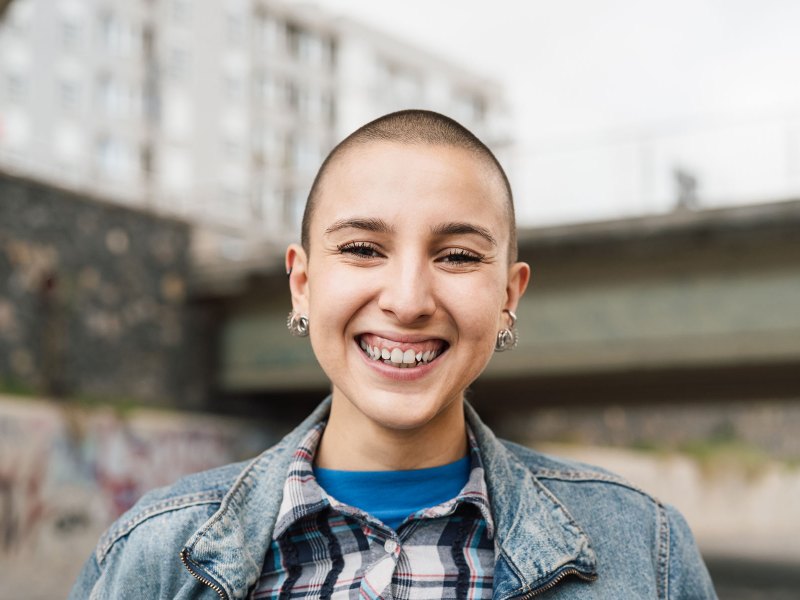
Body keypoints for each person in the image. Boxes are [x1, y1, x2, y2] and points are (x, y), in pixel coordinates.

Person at [70, 110, 717, 599]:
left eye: (458, 256)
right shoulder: (152, 555)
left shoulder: (647, 554)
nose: (407, 301)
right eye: (361, 249)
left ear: (509, 297)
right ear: (301, 284)